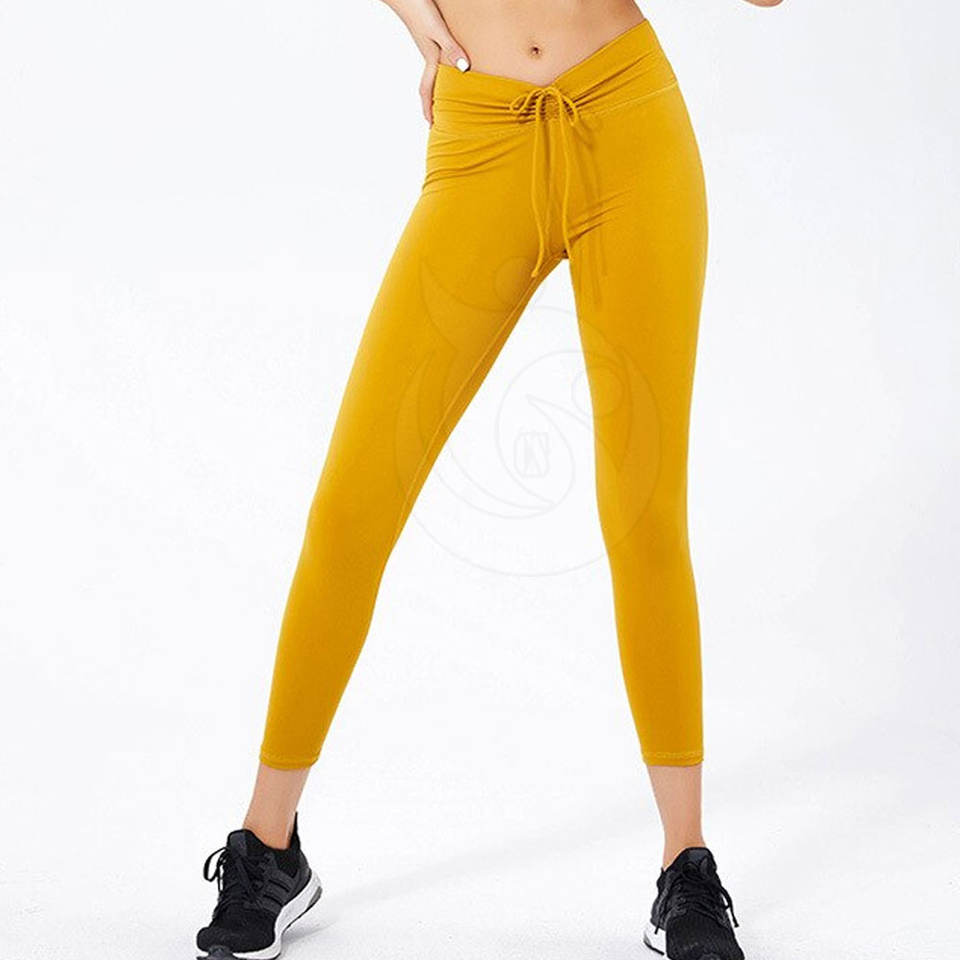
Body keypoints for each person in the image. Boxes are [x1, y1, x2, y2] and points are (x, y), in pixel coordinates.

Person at [196, 1, 782, 958]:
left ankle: (687, 864)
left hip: (629, 127)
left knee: (644, 512)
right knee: (352, 505)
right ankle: (269, 844)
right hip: (481, 145)